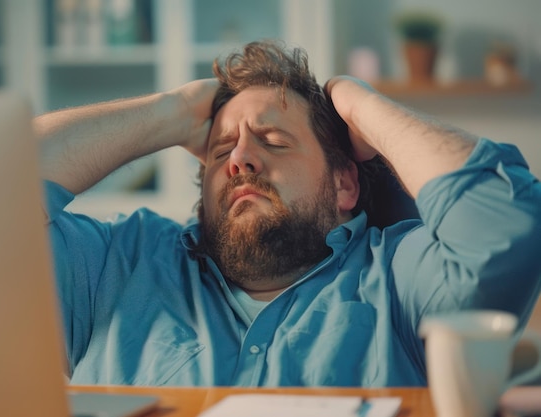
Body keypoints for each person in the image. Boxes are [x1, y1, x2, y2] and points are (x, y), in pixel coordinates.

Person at [36, 40, 541, 387]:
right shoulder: (115, 266)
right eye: (220, 151)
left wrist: (357, 104)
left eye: (273, 141)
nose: (238, 160)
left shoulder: (398, 280)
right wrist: (169, 113)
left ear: (344, 183)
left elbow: (508, 226)